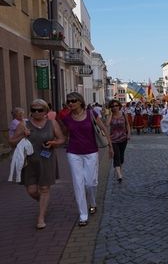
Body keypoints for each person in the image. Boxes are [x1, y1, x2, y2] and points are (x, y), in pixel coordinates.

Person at [9, 99, 65, 229]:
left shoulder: (52, 123)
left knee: (45, 188)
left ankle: (41, 218)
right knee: (32, 190)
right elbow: (11, 142)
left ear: (45, 111)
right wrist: (23, 135)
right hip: (29, 162)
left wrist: (53, 143)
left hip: (47, 159)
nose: (36, 112)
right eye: (33, 110)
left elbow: (61, 139)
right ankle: (43, 203)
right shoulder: (24, 124)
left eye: (40, 110)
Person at [59, 92, 113, 226]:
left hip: (91, 152)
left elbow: (103, 129)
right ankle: (83, 215)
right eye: (69, 101)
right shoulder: (66, 118)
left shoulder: (91, 114)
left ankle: (93, 201)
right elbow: (65, 134)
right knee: (78, 183)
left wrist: (110, 146)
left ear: (80, 102)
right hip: (73, 153)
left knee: (90, 182)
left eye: (73, 101)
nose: (70, 103)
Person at [106, 99, 131, 183]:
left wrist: (129, 134)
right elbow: (107, 124)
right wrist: (110, 113)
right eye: (112, 106)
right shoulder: (110, 116)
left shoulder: (124, 114)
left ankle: (119, 170)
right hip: (113, 140)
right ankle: (119, 175)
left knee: (121, 157)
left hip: (123, 138)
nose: (114, 107)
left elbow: (127, 124)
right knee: (116, 156)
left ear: (119, 106)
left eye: (116, 105)